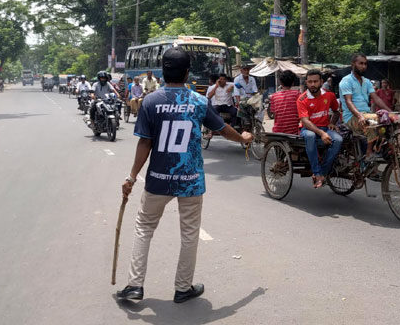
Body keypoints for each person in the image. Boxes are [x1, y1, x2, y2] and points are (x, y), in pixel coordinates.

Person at [117, 47, 253, 302]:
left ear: (161, 71)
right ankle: (183, 287)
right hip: (190, 181)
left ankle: (135, 285)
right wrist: (243, 138)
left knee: (144, 228)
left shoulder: (150, 101)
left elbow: (144, 144)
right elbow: (223, 129)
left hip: (157, 179)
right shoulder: (199, 101)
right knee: (189, 233)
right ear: (188, 72)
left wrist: (132, 177)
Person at [297, 69, 343, 189]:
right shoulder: (302, 99)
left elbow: (336, 112)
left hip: (325, 128)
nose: (313, 84)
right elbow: (305, 121)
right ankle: (317, 173)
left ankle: (322, 172)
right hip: (308, 129)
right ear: (306, 82)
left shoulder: (330, 95)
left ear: (321, 82)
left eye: (315, 81)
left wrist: (332, 123)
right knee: (311, 136)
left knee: (338, 139)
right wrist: (321, 133)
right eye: (310, 82)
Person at [270, 70, 300, 134]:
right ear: (292, 83)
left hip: (277, 131)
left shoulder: (274, 96)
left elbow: (275, 115)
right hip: (293, 132)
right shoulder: (297, 94)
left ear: (281, 82)